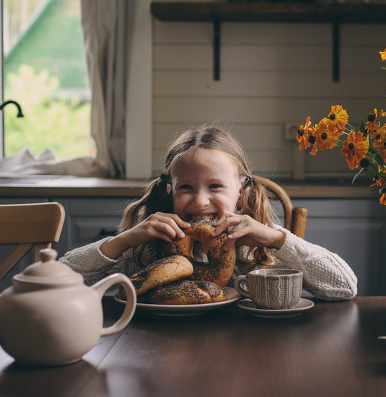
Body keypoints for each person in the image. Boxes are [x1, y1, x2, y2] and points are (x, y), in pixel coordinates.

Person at [60, 124, 357, 301]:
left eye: (215, 186)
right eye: (186, 187)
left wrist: (276, 239)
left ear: (241, 193)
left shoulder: (258, 252)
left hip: (248, 354)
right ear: (170, 191)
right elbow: (62, 278)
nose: (201, 201)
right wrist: (123, 240)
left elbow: (344, 286)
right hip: (157, 351)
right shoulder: (146, 252)